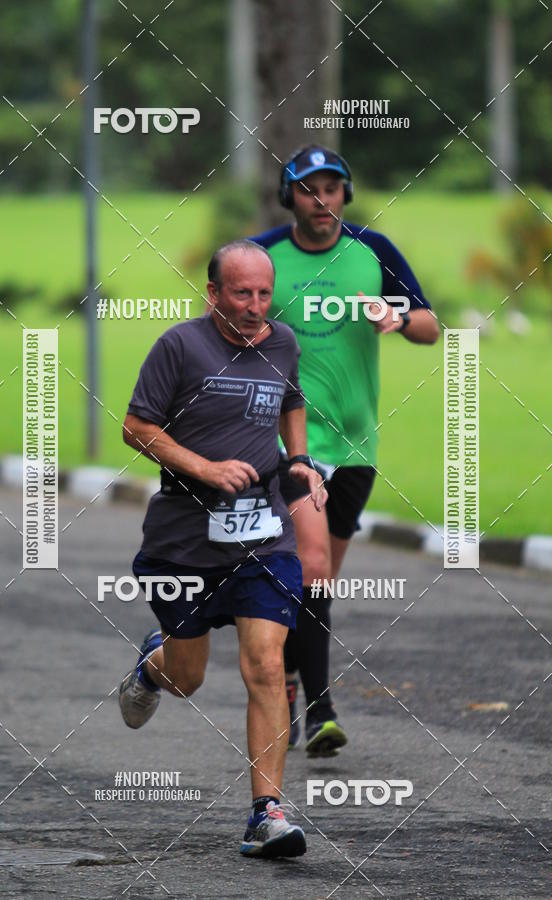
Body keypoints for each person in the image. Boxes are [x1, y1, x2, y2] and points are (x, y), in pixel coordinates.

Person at [118, 239, 327, 858]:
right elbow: (135, 427)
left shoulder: (283, 343)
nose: (255, 305)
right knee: (187, 678)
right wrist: (205, 469)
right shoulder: (179, 347)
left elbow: (291, 398)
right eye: (242, 292)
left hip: (263, 532)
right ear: (214, 293)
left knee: (265, 664)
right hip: (183, 541)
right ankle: (152, 665)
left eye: (264, 293)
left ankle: (267, 815)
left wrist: (298, 459)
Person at [251, 145, 440, 758]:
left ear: (344, 194)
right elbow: (228, 322)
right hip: (287, 443)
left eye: (332, 188)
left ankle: (285, 673)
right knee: (310, 572)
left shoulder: (373, 251)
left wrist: (397, 316)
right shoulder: (265, 256)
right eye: (309, 189)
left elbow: (430, 326)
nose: (322, 199)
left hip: (356, 446)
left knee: (317, 583)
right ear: (291, 197)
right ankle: (319, 709)